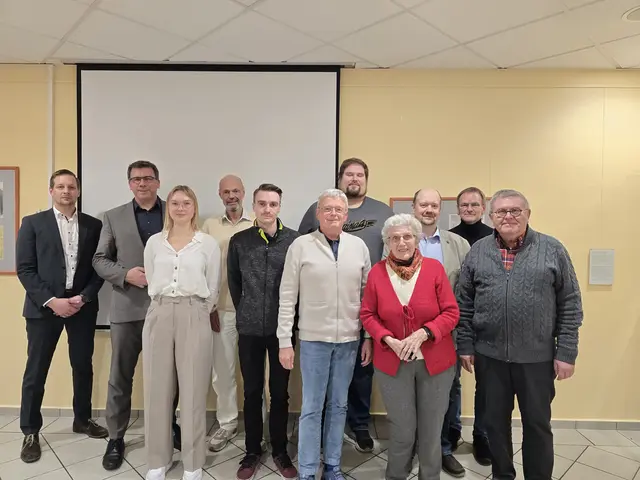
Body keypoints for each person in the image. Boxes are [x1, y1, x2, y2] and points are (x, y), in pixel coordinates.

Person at [457, 189, 584, 480]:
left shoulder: (552, 249)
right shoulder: (478, 251)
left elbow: (570, 303)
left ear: (528, 214)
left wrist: (566, 352)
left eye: (515, 210)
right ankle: (502, 475)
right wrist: (464, 344)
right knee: (494, 425)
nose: (508, 216)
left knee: (537, 425)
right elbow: (464, 301)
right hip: (490, 357)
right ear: (492, 217)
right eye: (501, 211)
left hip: (537, 359)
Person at [298, 157, 392, 452]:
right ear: (340, 178)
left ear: (366, 179)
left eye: (360, 175)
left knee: (362, 368)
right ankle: (323, 425)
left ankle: (360, 423)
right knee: (326, 375)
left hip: (366, 302)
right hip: (323, 310)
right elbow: (302, 249)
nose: (354, 179)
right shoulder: (318, 209)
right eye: (349, 174)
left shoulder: (382, 212)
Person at [93, 160, 180, 471]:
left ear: (158, 182)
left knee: (169, 376)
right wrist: (125, 274)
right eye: (136, 179)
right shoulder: (113, 216)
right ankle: (116, 437)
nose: (142, 183)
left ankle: (168, 427)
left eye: (148, 178)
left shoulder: (176, 211)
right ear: (129, 184)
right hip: (127, 308)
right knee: (120, 377)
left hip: (168, 308)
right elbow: (99, 259)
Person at [16, 169, 107, 463]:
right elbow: (25, 269)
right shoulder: (32, 223)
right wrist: (52, 301)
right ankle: (30, 431)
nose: (66, 191)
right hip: (44, 309)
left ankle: (82, 419)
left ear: (78, 191)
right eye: (60, 186)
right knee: (36, 371)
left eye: (71, 186)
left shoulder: (94, 225)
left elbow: (99, 267)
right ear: (51, 191)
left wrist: (83, 297)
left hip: (81, 308)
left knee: (82, 365)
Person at [279, 188, 371, 480]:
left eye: (338, 209)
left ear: (346, 215)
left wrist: (368, 337)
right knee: (311, 407)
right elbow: (287, 296)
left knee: (339, 405)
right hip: (313, 340)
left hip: (348, 340)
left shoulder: (358, 247)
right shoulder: (301, 246)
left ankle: (332, 465)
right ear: (318, 213)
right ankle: (307, 470)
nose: (333, 214)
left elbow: (367, 296)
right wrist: (284, 341)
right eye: (327, 209)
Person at [361, 213, 459, 480]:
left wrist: (424, 334)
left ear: (416, 239)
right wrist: (387, 339)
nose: (401, 242)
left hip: (435, 363)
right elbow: (368, 314)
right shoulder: (377, 273)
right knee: (402, 429)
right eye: (395, 238)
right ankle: (396, 475)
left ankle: (430, 476)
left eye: (407, 236)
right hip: (393, 363)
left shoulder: (434, 269)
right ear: (387, 242)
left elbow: (451, 313)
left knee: (431, 430)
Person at [143, 185, 220, 480]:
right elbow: (152, 278)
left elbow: (213, 286)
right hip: (160, 312)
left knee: (193, 390)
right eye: (175, 203)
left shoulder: (207, 244)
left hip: (194, 313)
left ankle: (193, 462)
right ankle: (157, 460)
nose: (180, 208)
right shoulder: (154, 243)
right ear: (168, 207)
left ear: (194, 207)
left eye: (186, 203)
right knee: (157, 390)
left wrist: (197, 310)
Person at [227, 184, 299, 480]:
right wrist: (247, 311)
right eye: (262, 204)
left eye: (273, 204)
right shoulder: (239, 241)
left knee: (280, 392)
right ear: (253, 206)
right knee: (252, 391)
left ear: (279, 207)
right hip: (250, 330)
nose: (267, 209)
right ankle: (252, 450)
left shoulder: (295, 241)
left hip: (283, 332)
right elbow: (234, 283)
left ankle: (280, 449)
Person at [410, 188, 472, 477]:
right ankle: (411, 447)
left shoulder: (458, 244)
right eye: (424, 204)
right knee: (409, 391)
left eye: (434, 205)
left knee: (448, 391)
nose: (429, 209)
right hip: (407, 335)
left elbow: (467, 291)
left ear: (440, 209)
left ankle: (443, 449)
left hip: (446, 333)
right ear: (414, 207)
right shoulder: (399, 239)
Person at [201, 174, 253, 452]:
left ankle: (258, 425)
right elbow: (201, 268)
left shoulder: (258, 221)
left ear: (243, 192)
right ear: (220, 194)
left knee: (257, 374)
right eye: (226, 192)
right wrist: (208, 306)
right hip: (222, 309)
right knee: (223, 372)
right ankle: (228, 423)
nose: (231, 196)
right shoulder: (209, 226)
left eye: (236, 191)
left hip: (254, 312)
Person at [448, 186, 493, 467]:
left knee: (486, 383)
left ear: (483, 208)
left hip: (486, 320)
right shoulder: (448, 239)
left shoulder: (494, 238)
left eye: (474, 204)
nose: (469, 209)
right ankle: (452, 430)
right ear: (458, 208)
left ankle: (481, 435)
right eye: (464, 205)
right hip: (454, 320)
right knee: (451, 381)